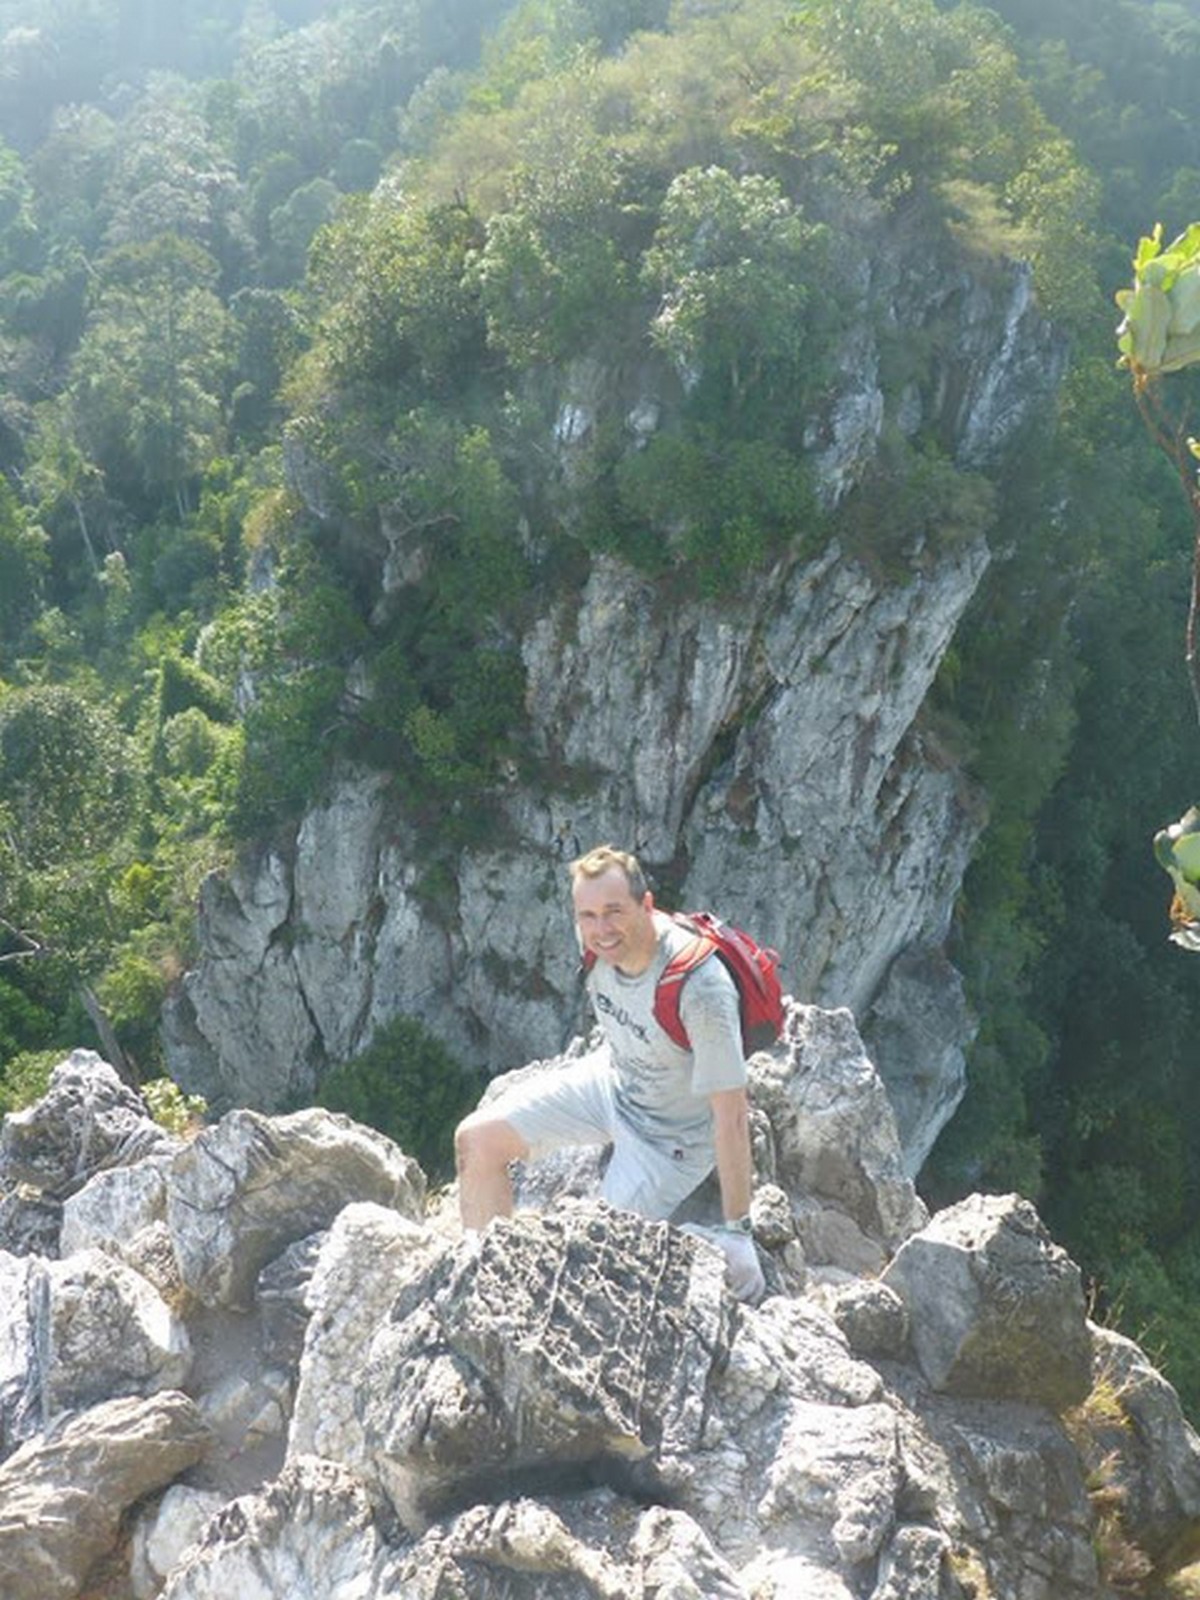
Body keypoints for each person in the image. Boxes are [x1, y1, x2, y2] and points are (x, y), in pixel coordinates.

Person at [455, 844, 765, 1301]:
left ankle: (698, 1248)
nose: (601, 930)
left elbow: (732, 1116)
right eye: (588, 915)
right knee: (476, 1141)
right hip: (611, 1080)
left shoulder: (700, 988)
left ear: (647, 905)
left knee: (588, 1261)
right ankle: (486, 1290)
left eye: (614, 912)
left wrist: (739, 1230)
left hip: (669, 1140)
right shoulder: (596, 942)